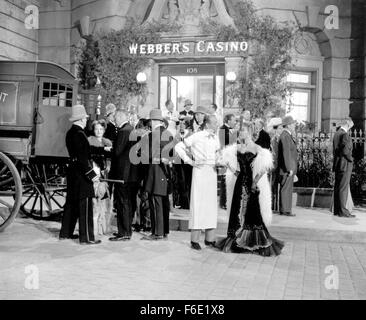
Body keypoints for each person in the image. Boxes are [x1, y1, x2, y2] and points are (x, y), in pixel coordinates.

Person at [216, 121, 284, 256]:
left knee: (252, 212)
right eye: (240, 131)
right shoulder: (236, 148)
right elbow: (226, 161)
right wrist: (233, 171)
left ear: (249, 132)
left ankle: (251, 240)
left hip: (250, 184)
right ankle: (235, 239)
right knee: (237, 210)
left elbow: (264, 168)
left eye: (244, 131)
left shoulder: (257, 148)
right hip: (240, 182)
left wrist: (255, 182)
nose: (241, 133)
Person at [175, 114, 221, 250]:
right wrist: (190, 161)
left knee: (211, 204)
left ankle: (210, 239)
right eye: (215, 123)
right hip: (200, 172)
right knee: (198, 203)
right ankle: (194, 240)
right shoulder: (197, 135)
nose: (217, 125)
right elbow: (178, 147)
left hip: (212, 172)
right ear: (207, 124)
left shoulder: (216, 137)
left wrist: (220, 161)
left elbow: (217, 153)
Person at [59, 104, 101, 245]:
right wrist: (92, 175)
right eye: (85, 118)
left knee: (71, 203)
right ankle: (87, 237)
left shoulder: (71, 133)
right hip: (82, 174)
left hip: (73, 173)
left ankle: (65, 233)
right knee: (85, 205)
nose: (86, 120)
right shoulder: (80, 134)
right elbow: (83, 158)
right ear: (82, 119)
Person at [142, 109, 172, 240]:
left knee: (155, 202)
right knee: (163, 202)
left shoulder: (152, 135)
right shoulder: (168, 133)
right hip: (166, 172)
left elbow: (146, 154)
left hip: (155, 170)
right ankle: (164, 230)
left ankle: (157, 232)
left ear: (153, 121)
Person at [109, 109, 139, 241]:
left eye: (115, 117)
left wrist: (108, 149)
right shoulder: (132, 129)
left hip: (122, 174)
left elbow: (117, 152)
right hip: (132, 174)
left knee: (122, 203)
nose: (114, 120)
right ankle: (127, 230)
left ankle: (124, 232)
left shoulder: (123, 131)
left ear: (121, 116)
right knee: (129, 203)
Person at [88, 120, 113, 235]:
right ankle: (93, 228)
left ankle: (103, 227)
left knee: (104, 199)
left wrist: (108, 165)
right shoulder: (90, 140)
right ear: (93, 130)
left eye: (101, 129)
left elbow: (110, 157)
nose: (99, 131)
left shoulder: (107, 142)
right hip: (94, 171)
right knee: (94, 199)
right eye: (96, 129)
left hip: (104, 173)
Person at [332, 118, 356, 218]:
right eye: (350, 126)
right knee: (343, 188)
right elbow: (346, 151)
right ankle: (343, 211)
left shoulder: (337, 133)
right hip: (345, 165)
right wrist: (351, 159)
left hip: (338, 165)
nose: (350, 128)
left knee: (338, 187)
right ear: (347, 124)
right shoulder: (345, 135)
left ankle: (337, 210)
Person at [278, 115, 298, 217]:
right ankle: (285, 210)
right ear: (289, 125)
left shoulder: (286, 135)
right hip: (286, 168)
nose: (294, 125)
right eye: (293, 123)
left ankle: (286, 209)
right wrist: (289, 168)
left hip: (288, 167)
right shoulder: (285, 136)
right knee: (286, 188)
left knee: (287, 188)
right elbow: (286, 153)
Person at [218, 113, 237, 210]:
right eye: (234, 120)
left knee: (229, 180)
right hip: (225, 159)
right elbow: (222, 145)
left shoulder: (232, 130)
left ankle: (228, 201)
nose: (235, 122)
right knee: (224, 180)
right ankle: (223, 202)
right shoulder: (222, 129)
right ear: (228, 120)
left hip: (231, 159)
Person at [267, 117, 283, 212]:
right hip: (273, 166)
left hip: (277, 166)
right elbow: (274, 154)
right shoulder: (273, 139)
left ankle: (274, 206)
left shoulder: (277, 139)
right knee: (272, 186)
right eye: (279, 128)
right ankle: (272, 206)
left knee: (275, 186)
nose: (281, 130)